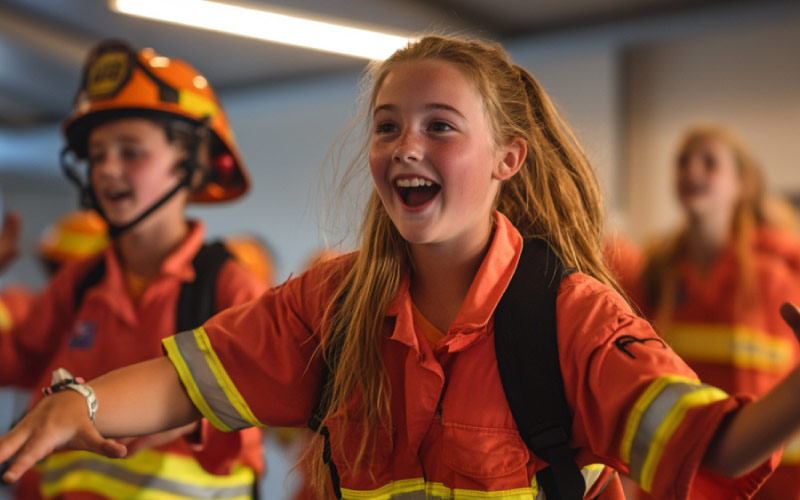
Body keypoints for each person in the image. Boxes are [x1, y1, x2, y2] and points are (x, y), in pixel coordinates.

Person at [3, 35, 800, 500]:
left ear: (507, 159)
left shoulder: (571, 316)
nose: (405, 146)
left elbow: (713, 444)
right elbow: (190, 382)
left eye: (439, 126)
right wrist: (83, 402)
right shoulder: (331, 303)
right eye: (388, 127)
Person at [0, 40, 266, 499]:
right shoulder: (81, 280)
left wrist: (160, 412)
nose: (106, 170)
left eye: (131, 151)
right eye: (98, 154)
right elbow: (13, 363)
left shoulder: (227, 285)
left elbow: (253, 410)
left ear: (194, 162)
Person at [634, 124, 800, 499]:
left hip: (770, 484)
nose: (691, 170)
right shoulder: (657, 273)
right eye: (682, 162)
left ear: (743, 185)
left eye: (709, 163)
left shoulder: (777, 275)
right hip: (682, 480)